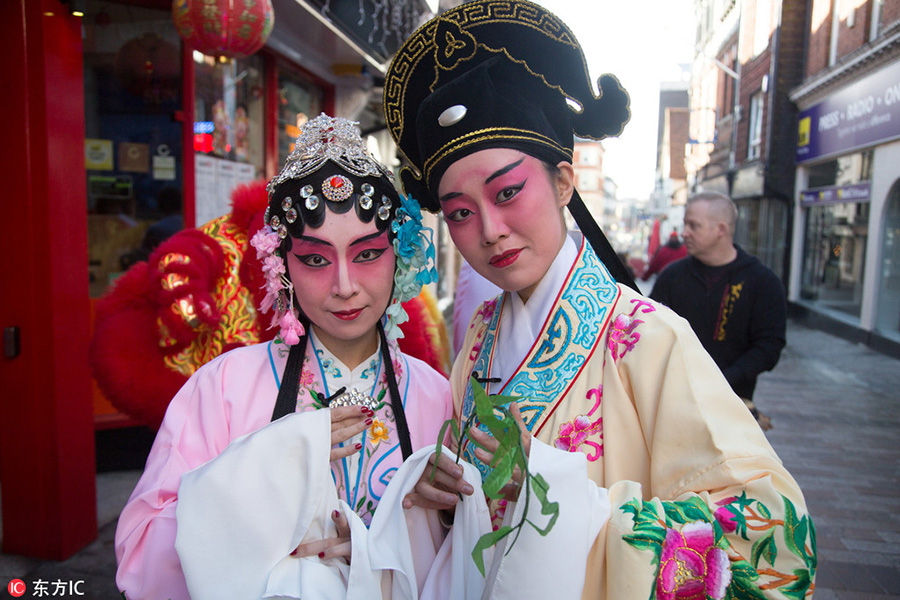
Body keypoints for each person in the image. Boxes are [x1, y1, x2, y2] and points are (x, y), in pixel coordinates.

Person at [382, 2, 815, 598]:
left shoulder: (648, 338)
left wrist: (564, 499)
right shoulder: (480, 335)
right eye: (459, 212)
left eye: (508, 191)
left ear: (564, 181)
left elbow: (776, 546)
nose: (489, 229)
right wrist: (444, 499)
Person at [114, 114, 453, 600]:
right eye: (315, 258)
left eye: (366, 254)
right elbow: (140, 555)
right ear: (282, 266)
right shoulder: (224, 387)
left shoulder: (436, 396)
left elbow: (466, 564)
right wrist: (269, 471)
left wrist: (431, 524)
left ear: (398, 255)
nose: (344, 286)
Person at [650, 192, 785, 430]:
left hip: (732, 409)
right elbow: (649, 330)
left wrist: (723, 379)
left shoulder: (761, 280)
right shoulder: (672, 276)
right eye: (685, 224)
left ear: (721, 229)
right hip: (674, 406)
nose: (684, 233)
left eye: (694, 225)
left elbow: (769, 347)